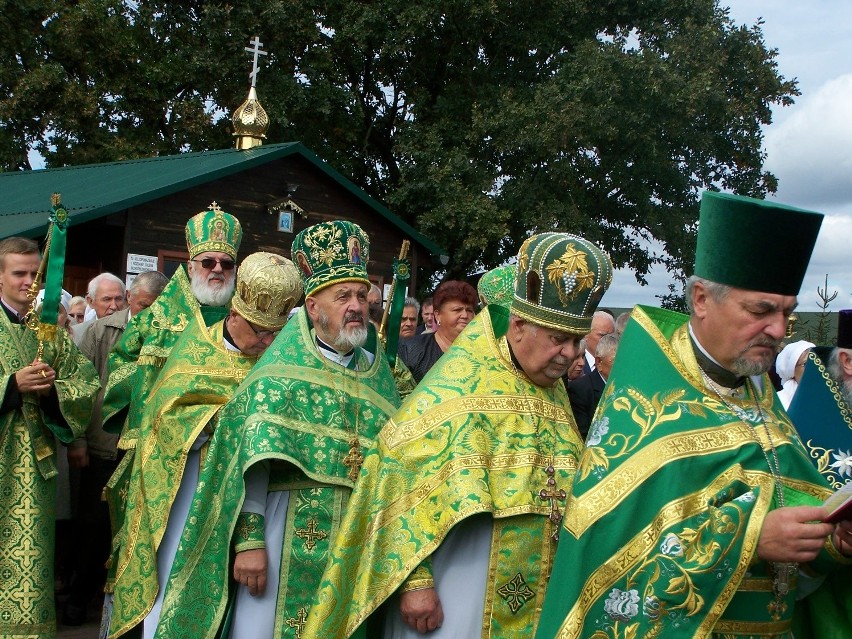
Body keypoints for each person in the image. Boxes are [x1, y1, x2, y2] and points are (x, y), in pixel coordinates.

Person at [536, 192, 852, 639]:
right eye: (761, 310)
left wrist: (833, 544)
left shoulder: (758, 391)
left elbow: (796, 512)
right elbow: (608, 571)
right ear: (701, 299)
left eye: (787, 313)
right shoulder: (646, 402)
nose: (779, 330)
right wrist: (748, 540)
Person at [303, 232, 613, 639]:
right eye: (558, 339)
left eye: (576, 340)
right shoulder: (460, 385)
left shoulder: (553, 393)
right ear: (517, 325)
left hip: (534, 589)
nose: (571, 354)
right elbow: (397, 475)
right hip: (457, 588)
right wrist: (415, 583)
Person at [153, 221, 402, 639]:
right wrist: (249, 541)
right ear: (312, 308)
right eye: (343, 296)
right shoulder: (278, 371)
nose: (356, 306)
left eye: (362, 295)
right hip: (281, 530)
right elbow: (249, 460)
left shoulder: (378, 375)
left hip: (355, 536)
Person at [105, 253, 302, 639]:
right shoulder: (194, 351)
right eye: (259, 332)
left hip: (255, 504)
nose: (266, 343)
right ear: (234, 316)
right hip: (188, 496)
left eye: (275, 335)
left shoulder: (277, 363)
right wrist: (218, 422)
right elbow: (162, 420)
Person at [0, 237, 99, 639]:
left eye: (33, 274)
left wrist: (52, 391)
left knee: (29, 561)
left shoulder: (49, 334)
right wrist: (10, 385)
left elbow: (86, 382)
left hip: (34, 472)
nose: (28, 282)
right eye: (18, 273)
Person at [61, 271, 169, 626]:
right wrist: (77, 440)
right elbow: (78, 387)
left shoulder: (171, 331)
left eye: (157, 306)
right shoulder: (100, 330)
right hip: (105, 445)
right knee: (93, 525)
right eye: (143, 306)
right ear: (130, 298)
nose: (150, 313)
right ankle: (78, 599)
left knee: (135, 529)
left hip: (148, 448)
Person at [101, 202, 242, 441]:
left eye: (226, 264)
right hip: (161, 437)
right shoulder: (151, 322)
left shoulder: (249, 323)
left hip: (227, 440)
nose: (217, 269)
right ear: (190, 267)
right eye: (208, 262)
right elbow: (119, 371)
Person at [397, 280, 477, 382]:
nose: (465, 315)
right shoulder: (409, 350)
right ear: (437, 315)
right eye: (457, 310)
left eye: (469, 310)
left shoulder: (482, 352)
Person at [567, 332, 618, 439]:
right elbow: (583, 435)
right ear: (599, 362)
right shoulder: (580, 390)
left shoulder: (626, 387)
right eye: (616, 361)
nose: (623, 367)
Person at [71, 272, 126, 344]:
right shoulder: (76, 333)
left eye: (118, 299)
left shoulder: (133, 331)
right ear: (90, 301)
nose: (114, 306)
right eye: (107, 299)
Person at [775, 340, 815, 409]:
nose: (813, 367)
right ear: (792, 370)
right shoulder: (778, 401)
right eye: (806, 364)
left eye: (816, 362)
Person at [581, 310, 615, 375]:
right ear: (586, 334)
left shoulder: (616, 364)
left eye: (611, 336)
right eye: (602, 335)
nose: (606, 340)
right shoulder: (575, 363)